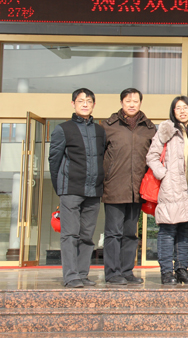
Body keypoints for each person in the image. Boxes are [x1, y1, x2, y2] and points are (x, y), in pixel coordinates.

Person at [48, 88, 106, 288]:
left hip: (93, 191)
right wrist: (60, 188)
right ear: (73, 104)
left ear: (93, 105)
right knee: (70, 234)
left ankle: (82, 274)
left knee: (87, 236)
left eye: (88, 101)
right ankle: (71, 276)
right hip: (71, 190)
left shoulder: (100, 131)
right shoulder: (62, 129)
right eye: (81, 101)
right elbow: (54, 161)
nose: (85, 104)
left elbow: (102, 159)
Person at [102, 88, 156, 285]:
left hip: (137, 189)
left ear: (140, 103)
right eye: (128, 101)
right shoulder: (108, 126)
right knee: (113, 233)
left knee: (130, 234)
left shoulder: (149, 128)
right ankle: (112, 273)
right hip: (114, 187)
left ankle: (126, 271)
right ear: (121, 103)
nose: (132, 104)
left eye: (135, 101)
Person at [146, 96, 188, 285]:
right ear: (173, 111)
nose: (182, 111)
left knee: (185, 230)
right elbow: (152, 156)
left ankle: (182, 269)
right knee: (168, 230)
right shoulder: (166, 129)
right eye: (178, 108)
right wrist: (164, 175)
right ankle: (167, 272)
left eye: (186, 107)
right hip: (171, 187)